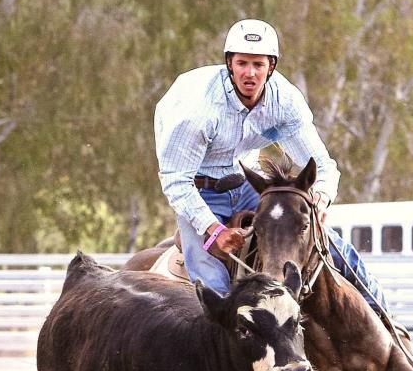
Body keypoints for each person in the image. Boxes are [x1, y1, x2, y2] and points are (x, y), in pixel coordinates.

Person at [154, 18, 390, 316]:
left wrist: (319, 200)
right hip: (199, 191)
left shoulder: (284, 102)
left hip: (246, 183)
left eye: (258, 64)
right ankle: (226, 332)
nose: (250, 73)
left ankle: (384, 318)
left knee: (329, 243)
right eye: (242, 63)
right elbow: (176, 181)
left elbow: (323, 166)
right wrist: (214, 230)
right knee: (208, 272)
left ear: (271, 67)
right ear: (229, 65)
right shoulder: (197, 113)